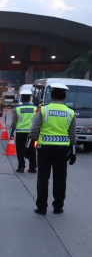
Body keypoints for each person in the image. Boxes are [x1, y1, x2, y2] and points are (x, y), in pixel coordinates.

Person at [27, 83, 76, 215]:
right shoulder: (70, 112)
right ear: (64, 97)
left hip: (44, 149)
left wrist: (28, 146)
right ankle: (58, 206)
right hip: (62, 150)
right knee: (60, 178)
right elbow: (72, 134)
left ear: (51, 96)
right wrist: (73, 152)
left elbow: (34, 129)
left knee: (43, 178)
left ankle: (41, 207)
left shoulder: (44, 110)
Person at [10, 89, 37, 173]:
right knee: (32, 149)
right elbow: (37, 121)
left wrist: (11, 132)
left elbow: (14, 121)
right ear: (30, 98)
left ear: (21, 98)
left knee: (20, 150)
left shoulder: (17, 108)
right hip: (32, 133)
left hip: (20, 133)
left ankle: (21, 166)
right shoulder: (36, 108)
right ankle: (33, 167)